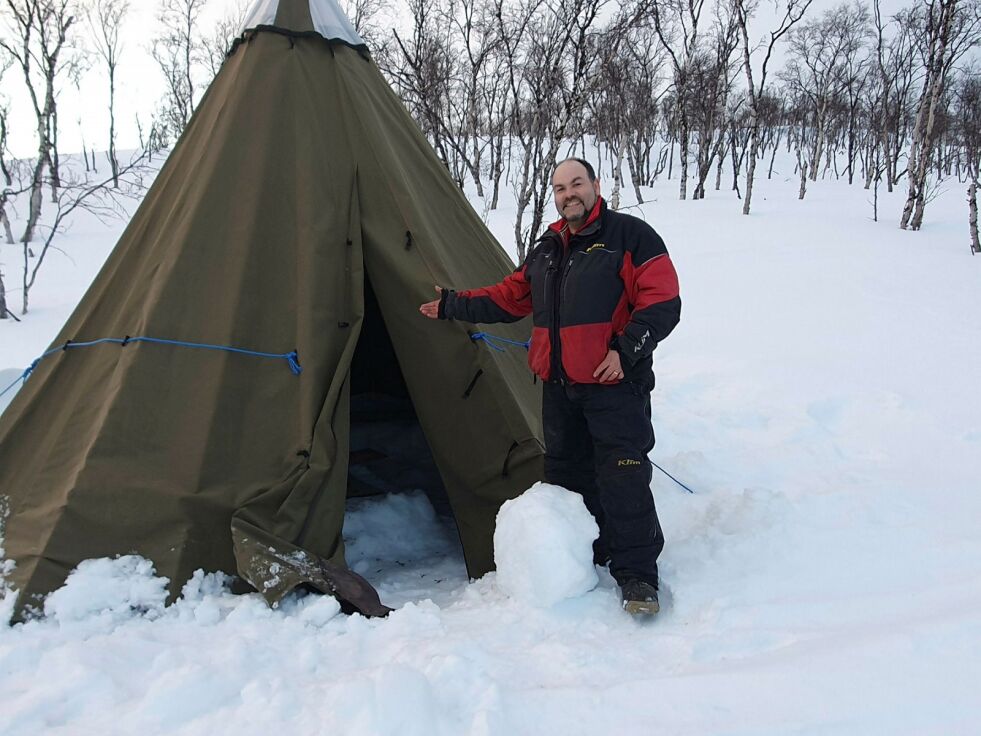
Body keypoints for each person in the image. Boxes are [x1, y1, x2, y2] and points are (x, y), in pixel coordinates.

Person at [420, 158, 681, 615]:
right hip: (559, 388)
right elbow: (509, 297)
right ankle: (589, 553)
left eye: (576, 183)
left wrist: (625, 349)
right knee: (568, 479)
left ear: (596, 185)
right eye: (560, 188)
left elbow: (663, 300)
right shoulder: (548, 248)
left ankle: (638, 575)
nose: (568, 194)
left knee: (623, 477)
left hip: (614, 385)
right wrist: (451, 305)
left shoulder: (630, 237)